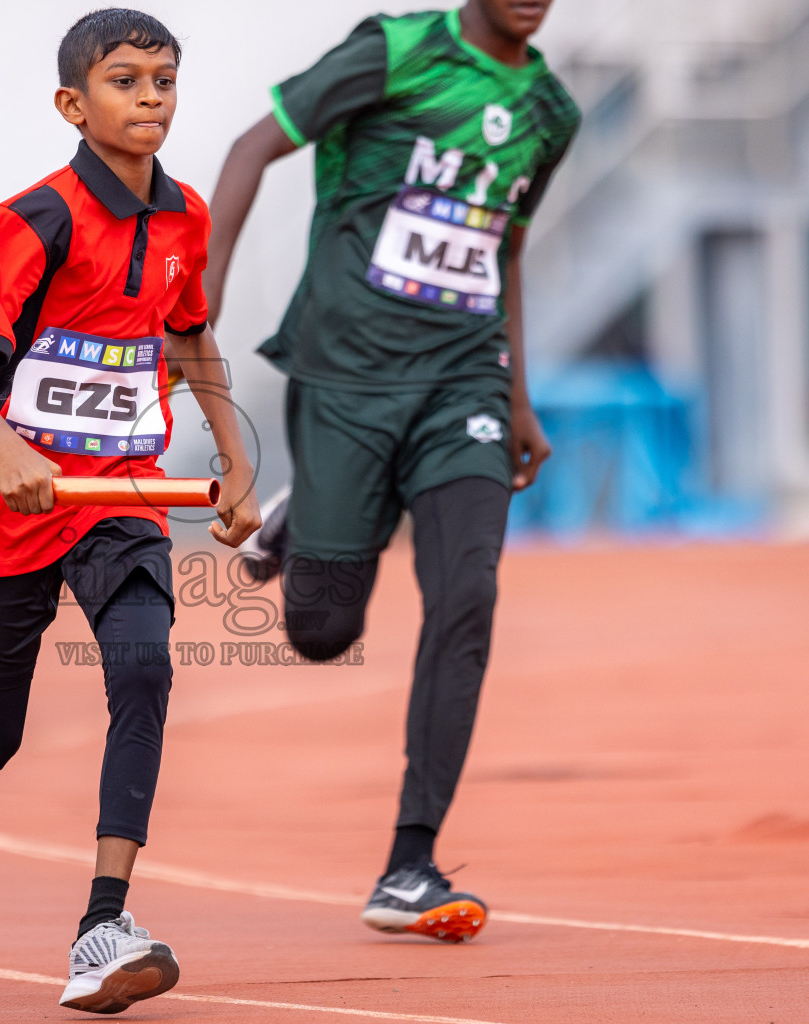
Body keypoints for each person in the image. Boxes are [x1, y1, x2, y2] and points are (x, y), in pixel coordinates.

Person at [0, 10, 260, 1014]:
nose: (150, 97)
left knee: (146, 666)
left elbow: (191, 341)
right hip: (18, 502)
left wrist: (235, 459)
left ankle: (104, 922)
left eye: (164, 80)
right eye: (125, 80)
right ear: (74, 103)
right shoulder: (34, 221)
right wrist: (12, 451)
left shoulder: (184, 218)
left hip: (123, 497)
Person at [205, 0, 578, 942]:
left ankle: (412, 859)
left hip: (465, 387)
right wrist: (195, 309)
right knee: (323, 631)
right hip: (346, 380)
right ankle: (306, 524)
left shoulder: (550, 113)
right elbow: (252, 147)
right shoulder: (395, 52)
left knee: (468, 597)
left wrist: (518, 392)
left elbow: (506, 245)